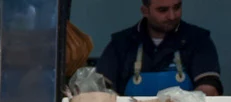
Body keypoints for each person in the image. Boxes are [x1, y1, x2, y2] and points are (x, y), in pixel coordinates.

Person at [95, 0, 223, 96]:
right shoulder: (121, 43)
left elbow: (209, 87)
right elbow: (99, 89)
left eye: (177, 7)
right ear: (145, 11)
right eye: (163, 10)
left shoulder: (198, 39)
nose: (172, 16)